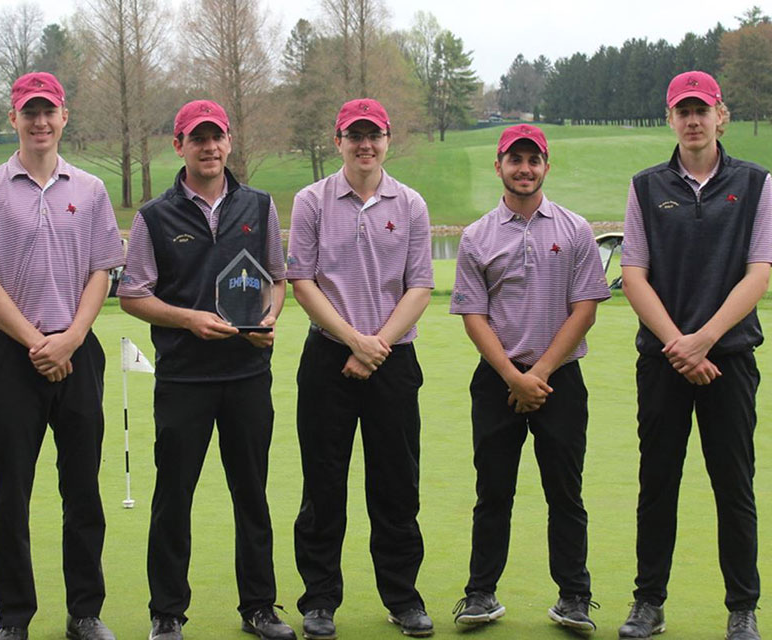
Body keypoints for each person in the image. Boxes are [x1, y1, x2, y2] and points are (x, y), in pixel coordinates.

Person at [0, 72, 124, 640]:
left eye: (48, 111)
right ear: (14, 120)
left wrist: (72, 337)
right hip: (13, 357)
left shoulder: (92, 189)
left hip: (78, 351)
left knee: (83, 491)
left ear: (64, 115)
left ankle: (85, 612)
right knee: (12, 493)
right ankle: (14, 618)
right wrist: (36, 341)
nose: (40, 122)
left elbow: (103, 269)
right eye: (29, 113)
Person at [118, 99, 294, 640]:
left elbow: (278, 280)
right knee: (174, 495)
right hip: (184, 378)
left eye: (217, 137)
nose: (210, 147)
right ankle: (167, 614)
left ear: (229, 142)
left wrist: (269, 316)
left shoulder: (259, 206)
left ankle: (259, 608)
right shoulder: (154, 215)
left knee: (252, 493)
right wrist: (187, 319)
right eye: (198, 138)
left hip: (245, 375)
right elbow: (132, 294)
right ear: (180, 146)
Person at [618, 70, 770, 640]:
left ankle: (742, 608)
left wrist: (702, 340)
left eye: (701, 110)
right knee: (657, 482)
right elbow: (633, 274)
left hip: (727, 360)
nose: (693, 120)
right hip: (663, 361)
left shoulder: (756, 183)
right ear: (670, 119)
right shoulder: (645, 186)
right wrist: (678, 346)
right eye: (682, 111)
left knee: (734, 485)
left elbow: (760, 272)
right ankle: (648, 603)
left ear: (720, 115)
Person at [449, 124, 610, 633]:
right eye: (514, 160)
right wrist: (511, 376)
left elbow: (585, 308)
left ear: (546, 165)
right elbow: (474, 315)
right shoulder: (477, 236)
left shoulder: (575, 229)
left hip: (559, 377)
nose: (524, 168)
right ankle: (480, 594)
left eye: (533, 160)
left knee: (565, 493)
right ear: (499, 166)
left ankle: (574, 597)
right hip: (497, 379)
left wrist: (537, 373)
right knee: (493, 491)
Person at [285, 98, 434, 639]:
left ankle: (402, 596)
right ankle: (319, 600)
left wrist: (378, 345)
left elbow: (420, 285)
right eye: (355, 136)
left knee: (396, 484)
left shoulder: (411, 203)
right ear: (338, 140)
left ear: (387, 140)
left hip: (393, 358)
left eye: (374, 135)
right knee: (323, 484)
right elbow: (302, 280)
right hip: (328, 356)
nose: (365, 145)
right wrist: (353, 340)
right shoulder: (312, 201)